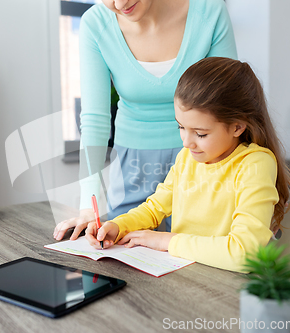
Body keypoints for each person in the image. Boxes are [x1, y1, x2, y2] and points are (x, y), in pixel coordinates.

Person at [84, 57, 290, 272]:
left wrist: (168, 241)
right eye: (181, 127)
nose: (186, 142)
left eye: (201, 133)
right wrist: (118, 226)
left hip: (230, 285)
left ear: (237, 127)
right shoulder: (188, 156)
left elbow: (243, 252)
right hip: (184, 274)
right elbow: (154, 208)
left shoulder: (255, 163)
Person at [54, 0, 237, 241]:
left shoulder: (209, 11)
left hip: (203, 159)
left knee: (198, 256)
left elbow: (229, 104)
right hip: (133, 166)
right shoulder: (96, 24)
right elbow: (94, 120)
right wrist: (89, 206)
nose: (119, 4)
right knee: (124, 257)